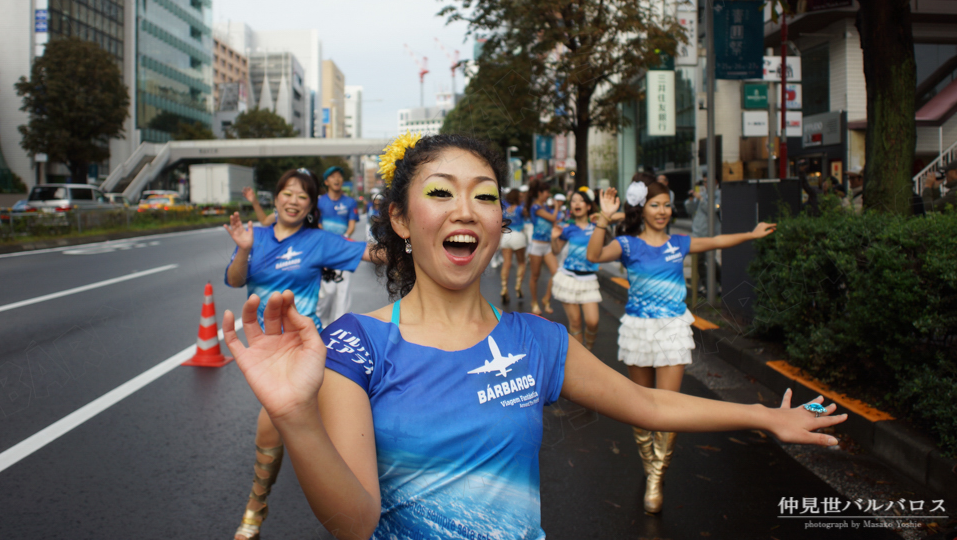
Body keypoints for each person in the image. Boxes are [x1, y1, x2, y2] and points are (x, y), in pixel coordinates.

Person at [221, 133, 846, 540]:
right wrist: (296, 417)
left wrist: (764, 417)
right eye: (440, 193)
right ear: (402, 220)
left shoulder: (537, 343)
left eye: (485, 196)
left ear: (499, 224)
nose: (466, 209)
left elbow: (652, 404)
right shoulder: (355, 345)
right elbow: (357, 524)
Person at [585, 175, 779, 514]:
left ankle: (656, 477)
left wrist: (750, 234)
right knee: (640, 408)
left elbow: (717, 240)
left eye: (666, 205)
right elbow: (594, 255)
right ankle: (649, 465)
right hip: (638, 330)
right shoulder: (628, 245)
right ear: (641, 208)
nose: (662, 211)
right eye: (654, 205)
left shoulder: (680, 242)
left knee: (669, 408)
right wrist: (604, 217)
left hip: (673, 328)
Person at [225, 168, 377, 540]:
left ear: (311, 206)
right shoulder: (254, 236)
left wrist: (422, 243)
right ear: (276, 197)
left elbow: (374, 253)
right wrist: (243, 250)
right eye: (287, 193)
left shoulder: (318, 241)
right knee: (288, 427)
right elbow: (233, 279)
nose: (293, 201)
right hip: (266, 350)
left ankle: (256, 508)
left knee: (273, 423)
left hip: (302, 349)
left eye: (302, 196)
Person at [550, 190, 602, 350]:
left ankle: (589, 350)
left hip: (589, 280)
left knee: (593, 322)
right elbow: (556, 251)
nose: (577, 204)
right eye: (573, 201)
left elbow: (622, 218)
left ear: (587, 206)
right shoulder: (567, 229)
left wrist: (602, 217)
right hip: (569, 279)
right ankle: (583, 361)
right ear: (570, 207)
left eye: (580, 201)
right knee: (576, 323)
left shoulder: (598, 226)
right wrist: (553, 238)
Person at [316, 166, 361, 326]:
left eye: (339, 176)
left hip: (343, 250)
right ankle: (320, 326)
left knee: (343, 292)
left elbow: (351, 225)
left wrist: (344, 239)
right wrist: (329, 241)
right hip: (324, 252)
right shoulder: (319, 202)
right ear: (327, 181)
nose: (337, 179)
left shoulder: (349, 202)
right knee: (326, 293)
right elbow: (318, 225)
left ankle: (340, 329)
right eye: (333, 176)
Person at [526, 178, 562, 314]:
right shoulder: (535, 207)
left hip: (547, 246)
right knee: (535, 276)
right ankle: (534, 302)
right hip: (536, 246)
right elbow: (553, 218)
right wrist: (557, 206)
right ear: (540, 193)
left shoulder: (544, 207)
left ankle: (546, 298)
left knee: (556, 273)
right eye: (547, 192)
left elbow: (553, 221)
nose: (549, 195)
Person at [685, 174, 721, 293]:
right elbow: (690, 210)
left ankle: (719, 284)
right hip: (698, 232)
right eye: (704, 182)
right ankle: (708, 286)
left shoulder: (718, 194)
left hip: (710, 233)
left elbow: (713, 209)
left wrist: (701, 199)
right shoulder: (703, 195)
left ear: (715, 181)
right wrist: (691, 200)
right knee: (699, 261)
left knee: (710, 259)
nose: (705, 184)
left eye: (707, 181)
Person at [499, 188, 528, 304]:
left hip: (506, 236)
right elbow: (528, 214)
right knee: (521, 262)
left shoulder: (505, 210)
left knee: (506, 263)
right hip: (518, 236)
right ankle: (518, 285)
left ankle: (504, 288)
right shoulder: (520, 208)